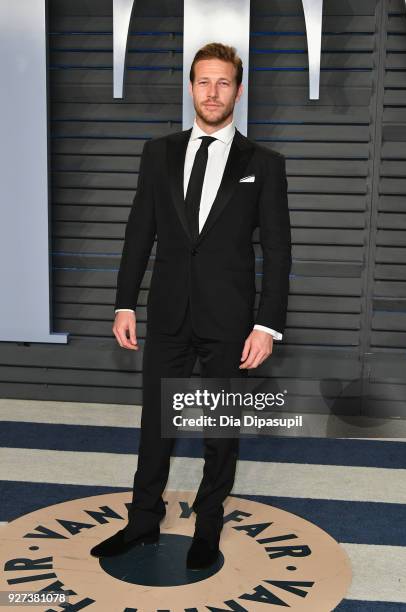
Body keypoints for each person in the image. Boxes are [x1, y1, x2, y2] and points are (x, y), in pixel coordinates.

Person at [90, 42, 291, 569]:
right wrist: (124, 303)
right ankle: (141, 521)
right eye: (204, 81)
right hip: (169, 312)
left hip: (231, 320)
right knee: (156, 421)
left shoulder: (265, 164)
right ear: (191, 87)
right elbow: (139, 233)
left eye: (224, 82)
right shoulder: (158, 152)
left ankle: (207, 526)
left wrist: (267, 324)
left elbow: (278, 249)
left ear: (239, 90)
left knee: (219, 429)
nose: (213, 92)